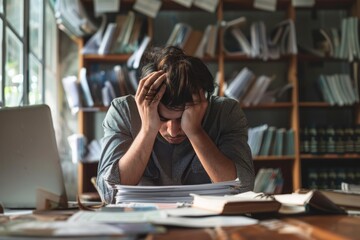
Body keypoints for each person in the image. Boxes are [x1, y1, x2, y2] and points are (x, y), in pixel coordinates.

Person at [97, 46, 254, 203]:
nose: (173, 131)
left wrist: (195, 131)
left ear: (202, 101)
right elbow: (107, 194)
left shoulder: (226, 112)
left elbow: (244, 190)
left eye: (181, 119)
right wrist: (147, 130)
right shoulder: (123, 111)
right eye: (163, 118)